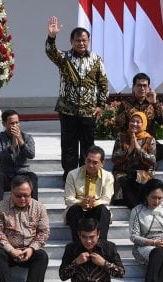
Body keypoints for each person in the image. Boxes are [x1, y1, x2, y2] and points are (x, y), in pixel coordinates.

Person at [46, 16, 109, 181]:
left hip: (89, 111)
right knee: (68, 145)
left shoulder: (96, 60)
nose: (81, 43)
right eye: (78, 40)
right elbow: (50, 52)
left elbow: (103, 83)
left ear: (88, 41)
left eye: (84, 40)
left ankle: (87, 174)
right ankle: (69, 176)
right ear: (71, 41)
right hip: (68, 109)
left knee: (88, 146)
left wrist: (101, 105)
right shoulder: (64, 57)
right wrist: (52, 37)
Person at [0, 175, 50, 282]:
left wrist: (31, 248)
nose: (23, 199)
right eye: (18, 195)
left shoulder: (39, 207)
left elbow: (43, 232)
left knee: (42, 256)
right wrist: (11, 250)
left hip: (29, 250)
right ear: (11, 193)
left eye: (26, 195)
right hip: (8, 250)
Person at [114, 72, 163, 162]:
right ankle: (141, 160)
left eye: (145, 86)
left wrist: (155, 103)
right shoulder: (125, 104)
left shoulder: (153, 103)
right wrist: (127, 140)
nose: (142, 88)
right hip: (131, 140)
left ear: (149, 88)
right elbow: (118, 127)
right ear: (133, 88)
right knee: (121, 150)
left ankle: (140, 160)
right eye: (139, 85)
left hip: (148, 142)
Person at [64, 145, 114, 244]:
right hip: (79, 210)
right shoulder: (72, 175)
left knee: (103, 210)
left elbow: (107, 199)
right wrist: (80, 202)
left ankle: (101, 245)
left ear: (102, 163)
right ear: (85, 160)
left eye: (95, 162)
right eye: (88, 161)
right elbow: (68, 199)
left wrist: (94, 203)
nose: (90, 165)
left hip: (96, 210)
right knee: (74, 209)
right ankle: (78, 245)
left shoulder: (108, 176)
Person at [111, 111, 156, 209]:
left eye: (138, 122)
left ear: (143, 123)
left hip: (143, 171)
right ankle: (136, 208)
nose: (134, 124)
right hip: (123, 171)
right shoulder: (121, 137)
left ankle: (137, 206)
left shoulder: (149, 139)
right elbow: (114, 158)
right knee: (123, 179)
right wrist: (130, 149)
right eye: (132, 121)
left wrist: (138, 148)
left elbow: (152, 162)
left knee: (140, 179)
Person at [0, 109, 38, 203]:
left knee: (32, 177)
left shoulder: (27, 137)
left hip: (22, 174)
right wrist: (11, 148)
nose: (15, 126)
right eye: (12, 123)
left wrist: (20, 141)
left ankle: (33, 207)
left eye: (17, 123)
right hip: (6, 174)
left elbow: (31, 154)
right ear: (4, 124)